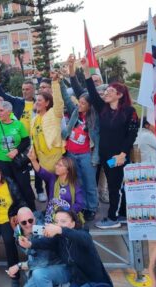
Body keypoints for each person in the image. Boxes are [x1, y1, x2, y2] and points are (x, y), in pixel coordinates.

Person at [81, 58, 139, 229]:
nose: (106, 93)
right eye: (106, 90)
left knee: (116, 187)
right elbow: (91, 91)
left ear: (119, 95)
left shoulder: (129, 111)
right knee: (116, 186)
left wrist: (122, 154)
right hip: (106, 156)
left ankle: (113, 217)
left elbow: (131, 135)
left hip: (119, 156)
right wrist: (86, 70)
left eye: (110, 91)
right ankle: (121, 215)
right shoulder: (102, 108)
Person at [28, 209, 114, 287]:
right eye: (56, 221)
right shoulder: (59, 239)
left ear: (73, 224)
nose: (59, 224)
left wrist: (60, 229)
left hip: (95, 282)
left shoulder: (82, 234)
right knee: (39, 278)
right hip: (78, 280)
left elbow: (84, 238)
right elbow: (44, 242)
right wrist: (29, 244)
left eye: (63, 221)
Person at [60, 78, 99, 221]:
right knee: (79, 182)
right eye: (79, 102)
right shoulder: (75, 112)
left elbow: (97, 140)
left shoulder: (94, 118)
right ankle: (82, 206)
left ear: (90, 105)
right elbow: (66, 98)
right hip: (72, 154)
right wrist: (60, 83)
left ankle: (92, 208)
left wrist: (96, 157)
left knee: (90, 183)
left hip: (86, 155)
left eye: (83, 103)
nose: (80, 105)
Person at [7, 207, 64, 287]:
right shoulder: (18, 232)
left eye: (30, 220)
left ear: (34, 218)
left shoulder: (42, 231)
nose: (28, 224)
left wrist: (18, 266)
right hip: (37, 266)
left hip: (53, 266)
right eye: (24, 222)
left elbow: (42, 262)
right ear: (19, 223)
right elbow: (31, 254)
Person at [30, 73, 65, 175]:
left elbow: (58, 102)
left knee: (59, 186)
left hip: (55, 157)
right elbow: (34, 138)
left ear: (47, 103)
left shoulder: (54, 114)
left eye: (40, 100)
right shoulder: (34, 119)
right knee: (49, 187)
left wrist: (54, 82)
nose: (36, 102)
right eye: (36, 100)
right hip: (42, 159)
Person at [0, 69, 35, 133]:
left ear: (33, 90)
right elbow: (3, 95)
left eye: (27, 89)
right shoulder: (17, 102)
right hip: (22, 138)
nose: (24, 92)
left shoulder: (38, 103)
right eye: (23, 89)